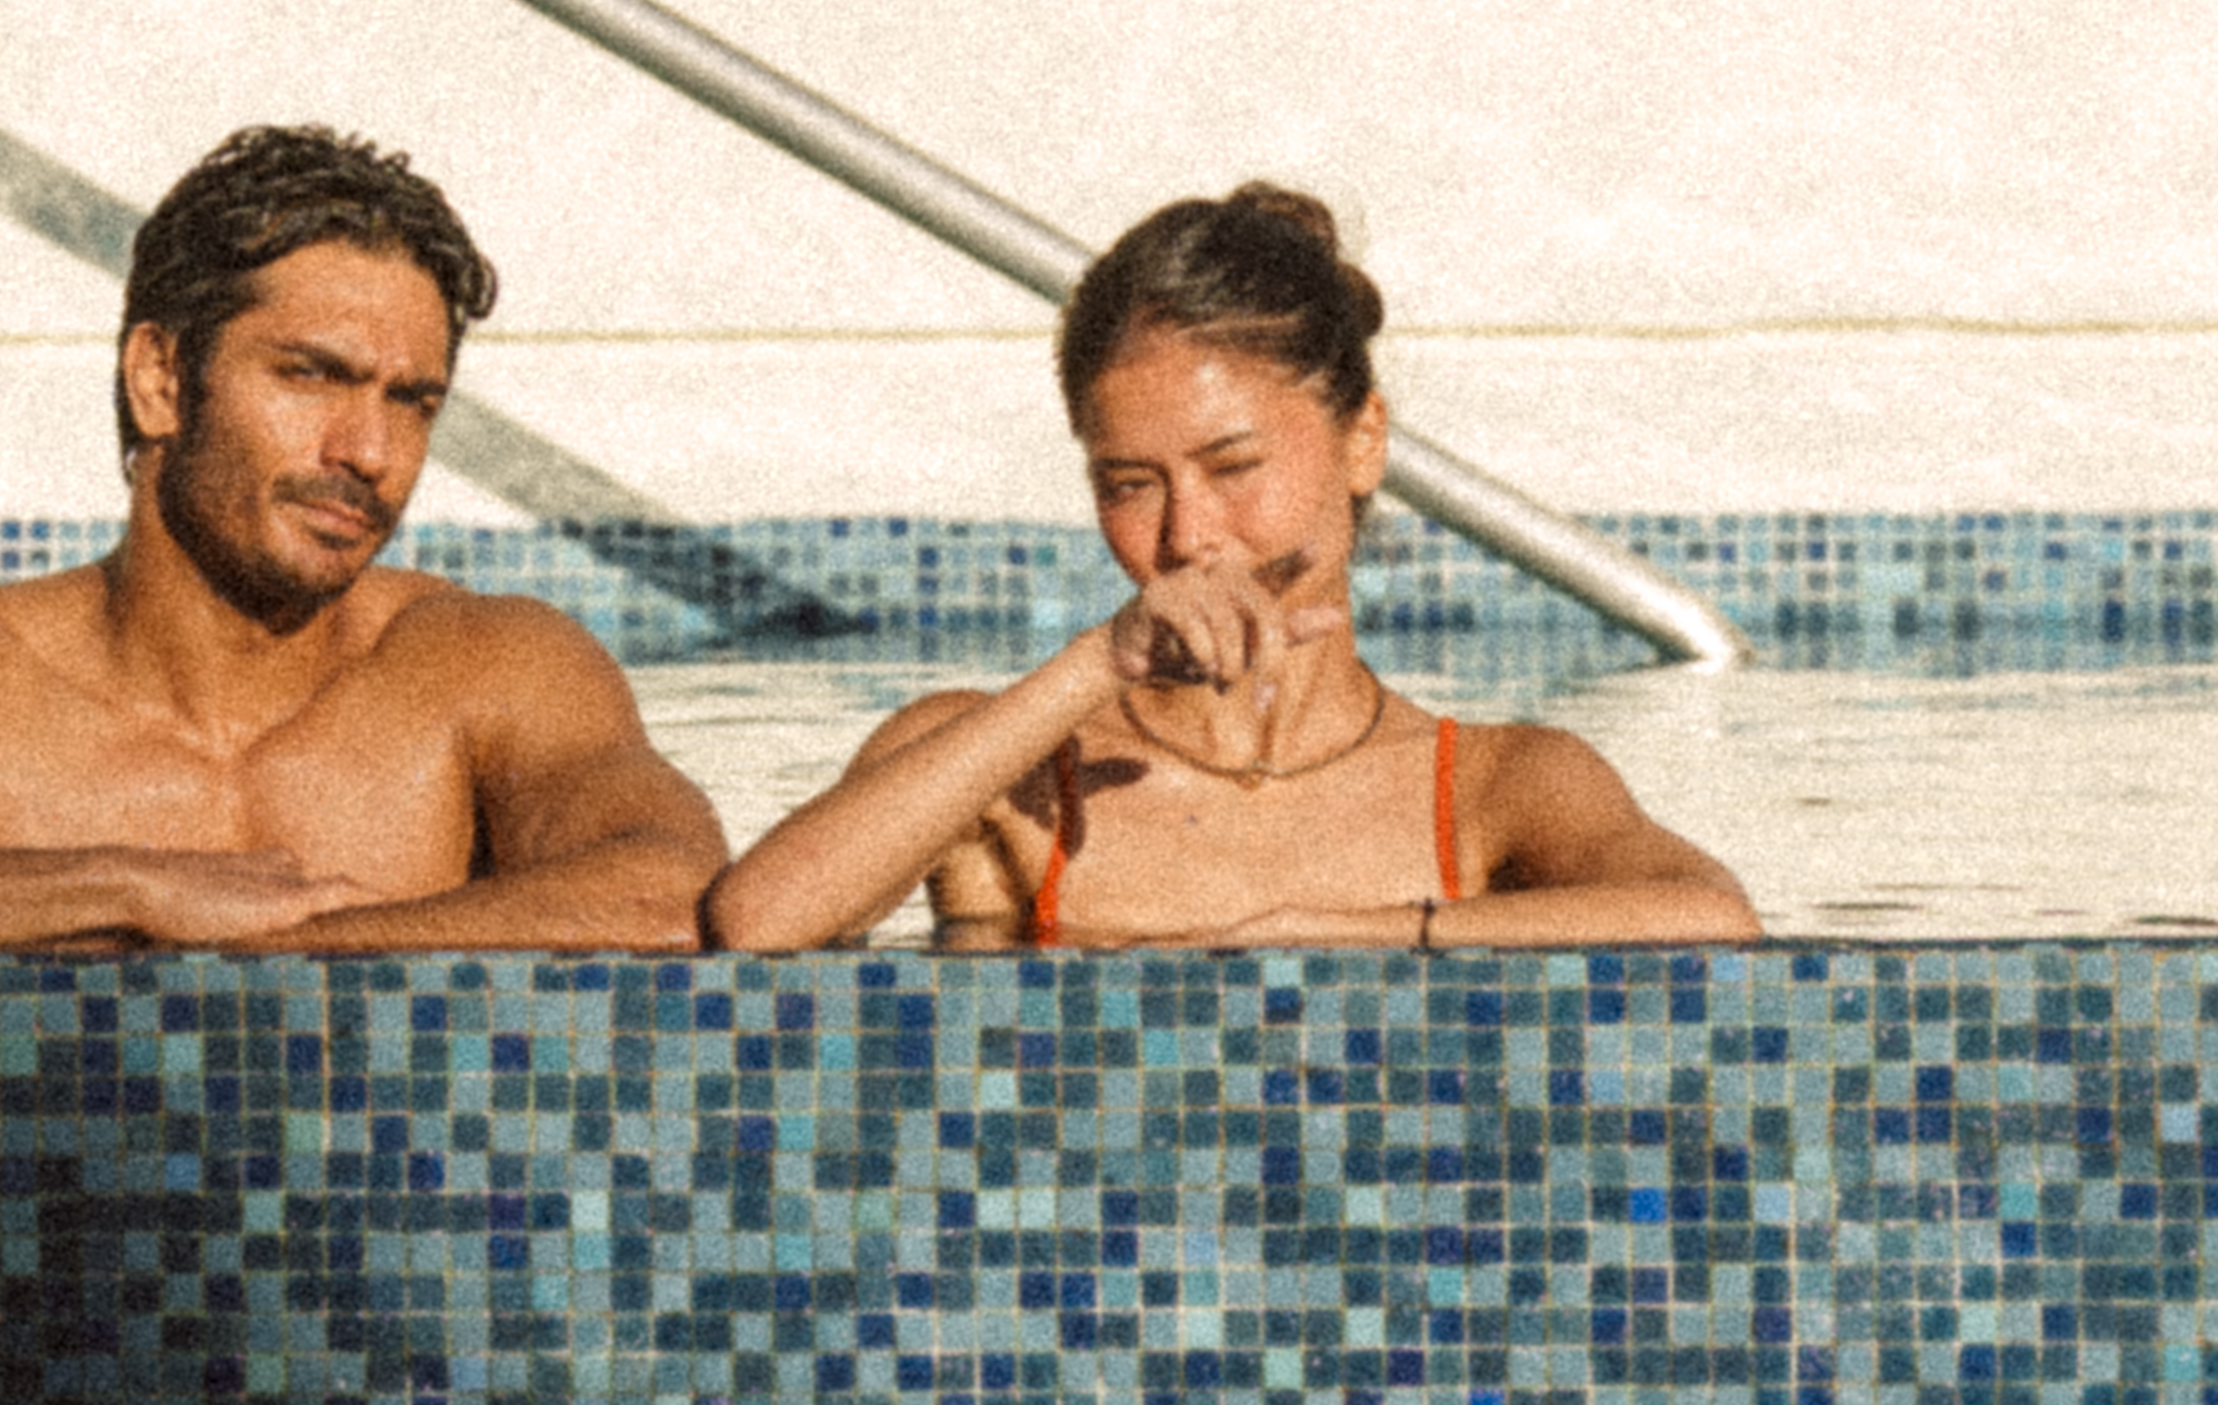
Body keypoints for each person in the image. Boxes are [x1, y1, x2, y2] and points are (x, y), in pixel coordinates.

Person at [0, 119, 724, 958]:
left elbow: (674, 892)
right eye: (311, 375)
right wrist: (126, 889)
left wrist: (283, 946)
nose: (369, 449)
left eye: (410, 399)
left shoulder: (487, 665)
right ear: (162, 378)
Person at [692, 185, 1754, 958]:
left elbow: (1713, 916)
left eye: (1233, 464)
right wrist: (1095, 665)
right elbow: (758, 923)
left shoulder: (1493, 784)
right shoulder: (1006, 770)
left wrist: (1362, 933)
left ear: (1362, 440)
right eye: (1128, 482)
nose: (1189, 532)